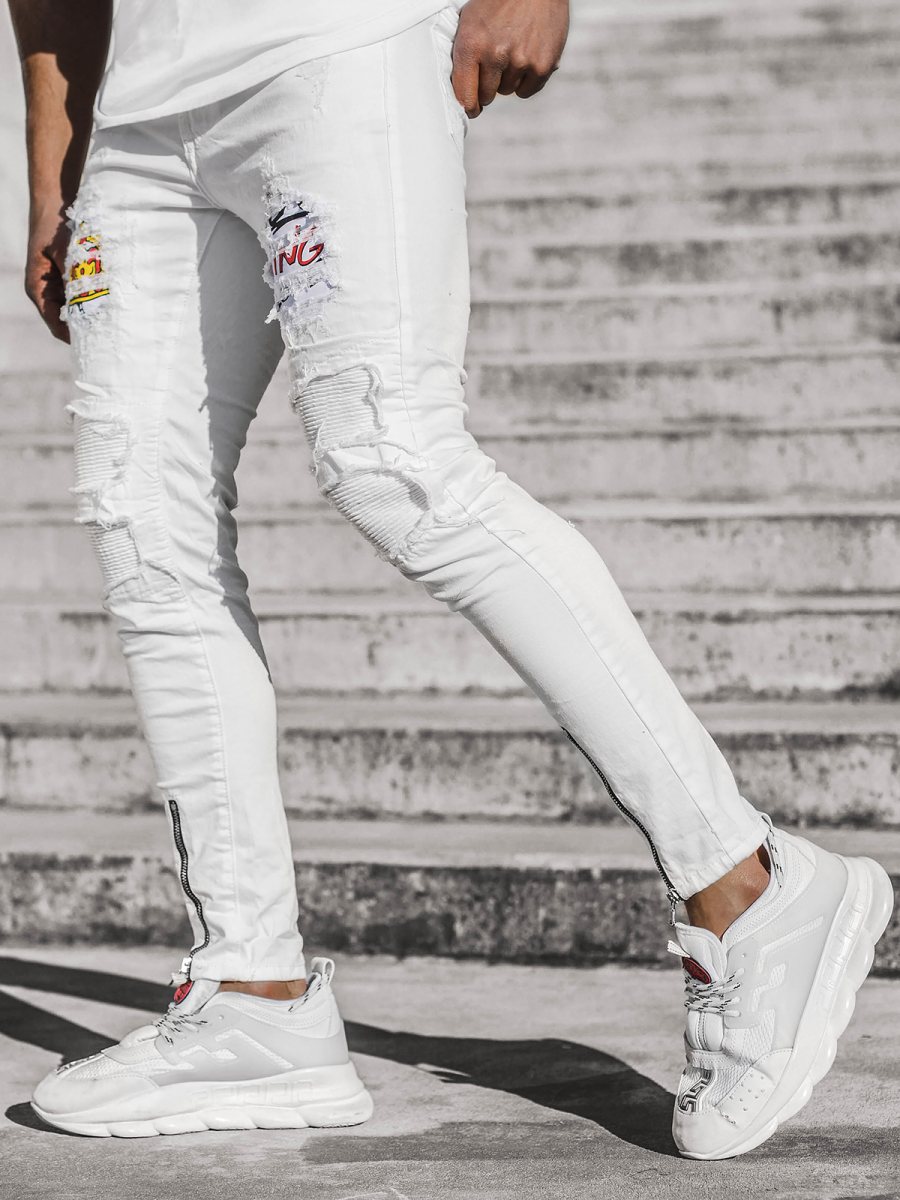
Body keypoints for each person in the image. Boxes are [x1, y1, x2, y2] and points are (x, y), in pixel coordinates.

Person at [9, 0, 893, 1160]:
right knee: (144, 519)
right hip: (138, 112)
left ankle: (746, 881)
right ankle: (253, 994)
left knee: (395, 463)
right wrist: (55, 154)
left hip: (333, 47)